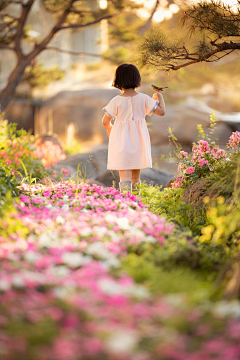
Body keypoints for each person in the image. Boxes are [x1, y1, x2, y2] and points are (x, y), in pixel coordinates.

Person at [102, 63, 165, 193]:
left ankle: (126, 202)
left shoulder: (116, 100)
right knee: (136, 176)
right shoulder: (144, 98)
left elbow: (105, 121)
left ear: (118, 80)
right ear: (137, 79)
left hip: (121, 141)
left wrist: (110, 128)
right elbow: (161, 112)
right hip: (138, 140)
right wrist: (159, 97)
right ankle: (137, 201)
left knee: (124, 175)